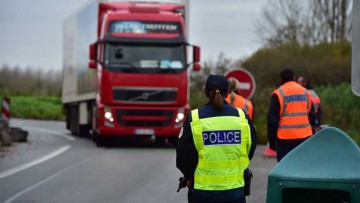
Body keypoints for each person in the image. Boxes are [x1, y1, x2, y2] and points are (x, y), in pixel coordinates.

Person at [176, 74, 257, 203]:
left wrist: (189, 177)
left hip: (202, 193)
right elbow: (250, 150)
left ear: (205, 93)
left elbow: (182, 156)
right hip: (235, 192)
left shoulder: (194, 118)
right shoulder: (242, 117)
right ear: (227, 93)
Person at [267, 69, 316, 162]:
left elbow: (272, 120)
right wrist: (312, 132)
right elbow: (312, 115)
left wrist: (272, 142)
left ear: (281, 79)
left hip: (285, 139)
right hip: (305, 137)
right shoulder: (306, 92)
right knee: (303, 166)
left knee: (285, 169)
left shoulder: (279, 93)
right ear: (294, 78)